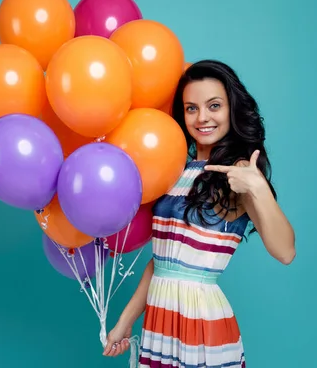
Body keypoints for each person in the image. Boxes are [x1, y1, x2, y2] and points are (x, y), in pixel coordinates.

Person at [102, 59, 296, 367]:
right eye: (191, 108)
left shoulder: (240, 172)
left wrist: (257, 188)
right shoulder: (174, 168)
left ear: (232, 108)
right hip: (159, 317)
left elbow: (285, 251)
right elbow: (162, 261)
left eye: (214, 105)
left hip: (200, 322)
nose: (202, 117)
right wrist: (125, 321)